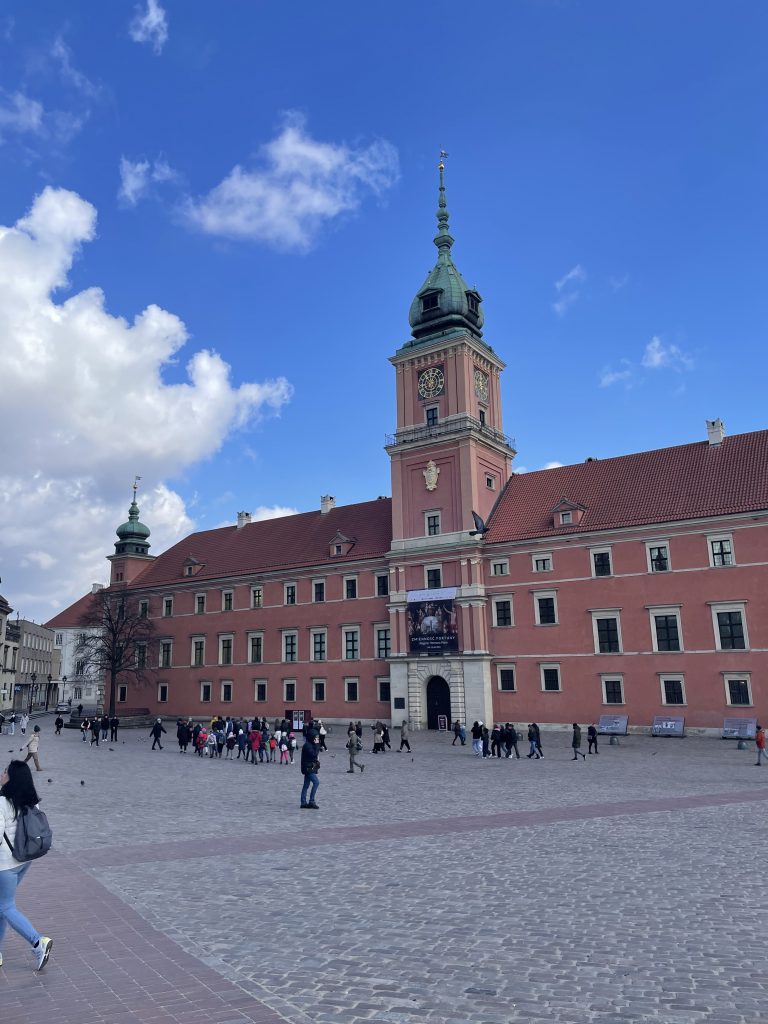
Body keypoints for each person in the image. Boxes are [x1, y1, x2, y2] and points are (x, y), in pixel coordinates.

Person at [0, 760, 53, 971]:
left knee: (6, 906)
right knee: (2, 906)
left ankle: (37, 941)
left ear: (11, 778)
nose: (2, 773)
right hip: (24, 861)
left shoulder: (2, 802)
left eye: (5, 771)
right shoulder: (31, 801)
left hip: (4, 865)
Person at [300, 734, 321, 809]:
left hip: (309, 767)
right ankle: (311, 801)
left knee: (306, 785)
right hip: (308, 768)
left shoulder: (310, 744)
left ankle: (303, 802)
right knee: (316, 782)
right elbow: (313, 754)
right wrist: (317, 745)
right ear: (312, 738)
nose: (317, 739)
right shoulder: (307, 745)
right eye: (316, 738)